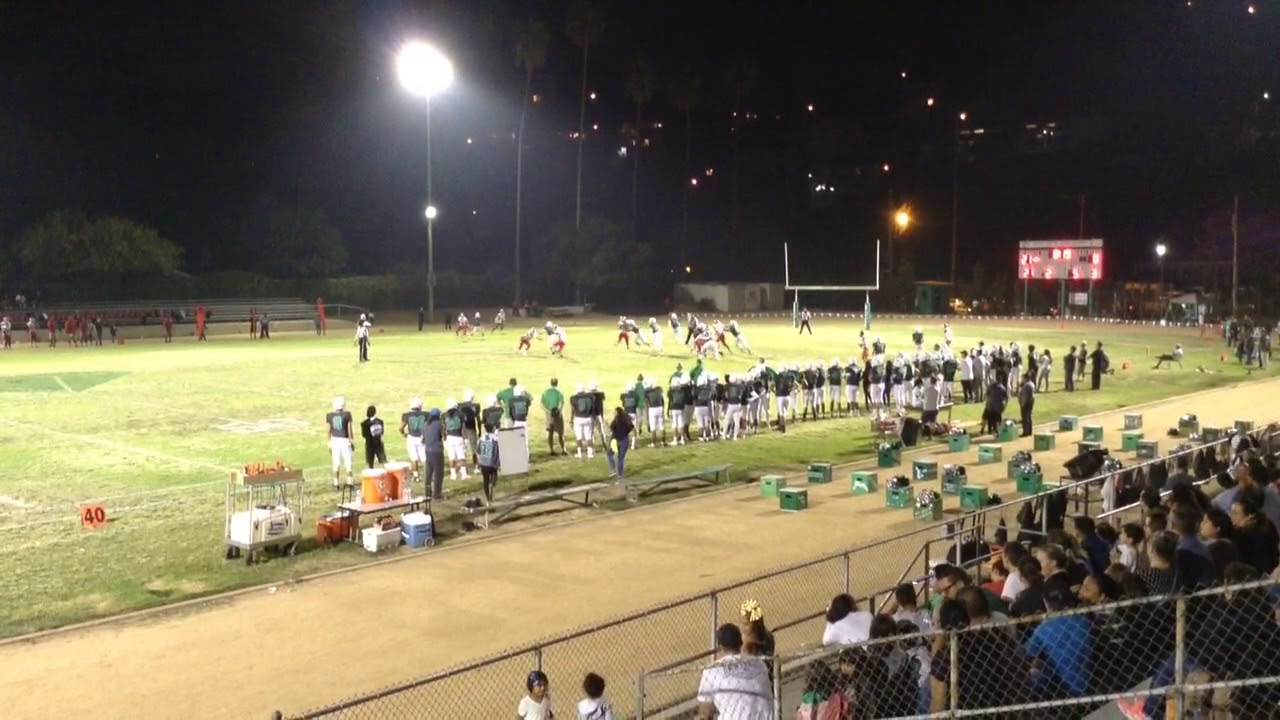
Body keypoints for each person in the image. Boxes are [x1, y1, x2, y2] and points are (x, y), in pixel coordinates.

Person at [695, 624, 774, 720]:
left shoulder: (712, 670)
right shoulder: (759, 663)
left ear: (720, 647)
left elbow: (705, 714)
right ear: (741, 643)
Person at [325, 396, 355, 489]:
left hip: (335, 440)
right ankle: (349, 483)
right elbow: (349, 429)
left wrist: (329, 442)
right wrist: (352, 441)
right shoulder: (347, 414)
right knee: (348, 462)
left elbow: (328, 430)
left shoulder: (330, 415)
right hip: (344, 440)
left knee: (336, 463)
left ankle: (336, 483)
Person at [401, 397, 428, 485]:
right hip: (422, 437)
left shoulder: (407, 415)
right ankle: (428, 475)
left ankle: (416, 476)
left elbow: (400, 428)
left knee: (414, 458)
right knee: (424, 458)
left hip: (411, 437)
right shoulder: (426, 414)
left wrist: (404, 434)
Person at [422, 408, 446, 501]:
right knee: (438, 473)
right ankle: (437, 494)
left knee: (428, 472)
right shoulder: (439, 424)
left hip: (428, 450)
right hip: (437, 450)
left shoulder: (425, 424)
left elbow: (423, 439)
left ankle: (427, 493)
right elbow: (444, 436)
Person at [442, 400, 468, 480]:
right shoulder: (461, 414)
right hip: (458, 436)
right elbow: (463, 428)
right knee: (461, 456)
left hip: (449, 437)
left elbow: (443, 428)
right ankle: (463, 474)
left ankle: (453, 475)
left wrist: (445, 438)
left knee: (451, 457)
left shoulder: (444, 415)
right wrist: (465, 438)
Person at [605, 408, 633, 481]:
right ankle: (620, 475)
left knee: (609, 454)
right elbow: (631, 427)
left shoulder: (616, 421)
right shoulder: (626, 420)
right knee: (620, 458)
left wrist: (607, 424)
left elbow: (612, 429)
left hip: (615, 440)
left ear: (617, 413)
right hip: (624, 440)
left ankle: (613, 469)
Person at [541, 378, 567, 455]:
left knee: (550, 433)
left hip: (549, 415)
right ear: (557, 383)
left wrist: (548, 411)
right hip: (557, 415)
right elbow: (561, 403)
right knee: (560, 433)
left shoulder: (545, 392)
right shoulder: (559, 392)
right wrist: (558, 411)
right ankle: (563, 449)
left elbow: (542, 404)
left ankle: (551, 450)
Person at [570, 384, 596, 459]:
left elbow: (573, 410)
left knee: (579, 437)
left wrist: (571, 420)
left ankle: (579, 453)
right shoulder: (590, 397)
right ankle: (590, 453)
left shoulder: (574, 398)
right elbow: (593, 408)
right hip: (588, 418)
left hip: (578, 418)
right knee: (588, 437)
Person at [476, 426, 501, 504]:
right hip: (493, 463)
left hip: (484, 463)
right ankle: (492, 489)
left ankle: (487, 498)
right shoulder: (496, 439)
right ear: (493, 429)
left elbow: (478, 451)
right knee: (494, 477)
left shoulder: (482, 438)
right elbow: (498, 451)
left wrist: (479, 461)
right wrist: (498, 463)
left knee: (485, 480)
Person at [1016, 372, 1035, 437]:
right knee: (1028, 416)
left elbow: (1025, 395)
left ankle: (1025, 432)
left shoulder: (1027, 385)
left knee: (1025, 417)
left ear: (1026, 378)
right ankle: (1029, 431)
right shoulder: (1031, 384)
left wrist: (1023, 403)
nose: (1022, 379)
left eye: (1023, 378)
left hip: (1026, 402)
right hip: (1030, 402)